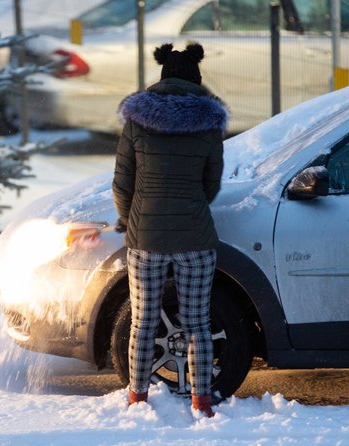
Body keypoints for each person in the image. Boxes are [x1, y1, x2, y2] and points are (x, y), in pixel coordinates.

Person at [112, 42, 228, 418]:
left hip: (145, 238)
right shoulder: (209, 123)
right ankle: (202, 401)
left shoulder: (136, 121)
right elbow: (212, 183)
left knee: (143, 321)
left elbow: (121, 184)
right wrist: (191, 207)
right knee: (197, 322)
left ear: (162, 77)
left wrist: (131, 220)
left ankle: (137, 397)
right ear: (197, 78)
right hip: (196, 239)